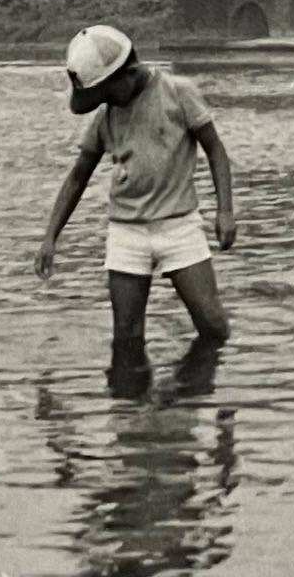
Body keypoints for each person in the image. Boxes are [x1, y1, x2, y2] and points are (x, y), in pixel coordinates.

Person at [35, 24, 236, 392]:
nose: (109, 100)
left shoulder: (177, 94)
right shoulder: (107, 116)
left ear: (129, 74)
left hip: (179, 225)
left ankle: (197, 395)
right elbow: (77, 177)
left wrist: (225, 210)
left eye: (111, 91)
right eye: (101, 95)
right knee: (126, 336)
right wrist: (50, 236)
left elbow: (216, 150)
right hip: (127, 232)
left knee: (212, 325)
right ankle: (130, 413)